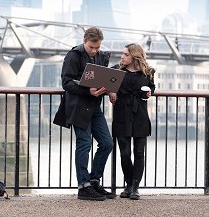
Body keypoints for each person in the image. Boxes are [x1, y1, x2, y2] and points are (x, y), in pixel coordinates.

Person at [53, 27, 115, 201]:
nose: (94, 51)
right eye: (91, 47)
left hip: (95, 106)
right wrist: (89, 91)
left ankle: (94, 181)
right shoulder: (73, 55)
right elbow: (66, 82)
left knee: (107, 143)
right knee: (84, 144)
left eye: (97, 47)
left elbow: (104, 78)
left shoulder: (102, 56)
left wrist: (109, 89)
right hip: (79, 107)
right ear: (85, 41)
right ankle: (84, 186)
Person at [109, 43, 155, 200]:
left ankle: (135, 187)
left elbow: (151, 88)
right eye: (122, 54)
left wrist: (149, 93)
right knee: (125, 153)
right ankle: (128, 184)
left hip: (140, 115)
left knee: (139, 153)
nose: (122, 57)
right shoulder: (117, 70)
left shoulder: (148, 72)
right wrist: (111, 92)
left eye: (126, 54)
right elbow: (108, 86)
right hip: (121, 114)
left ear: (135, 56)